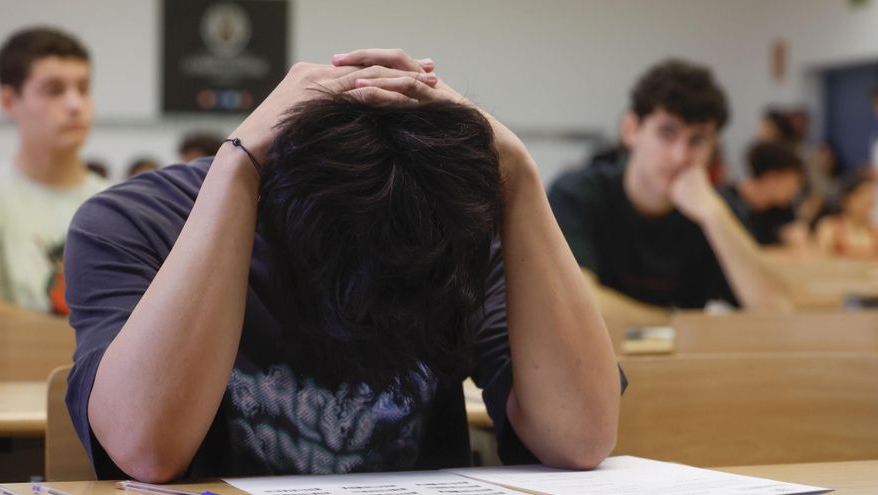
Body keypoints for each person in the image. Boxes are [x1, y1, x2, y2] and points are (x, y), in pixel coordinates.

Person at [64, 49, 623, 481]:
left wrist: (517, 174)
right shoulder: (135, 223)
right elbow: (144, 450)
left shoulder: (446, 224)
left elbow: (579, 436)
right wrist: (239, 166)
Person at [548, 59, 791, 320]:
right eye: (667, 133)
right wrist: (677, 325)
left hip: (691, 361)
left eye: (697, 140)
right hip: (601, 358)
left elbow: (777, 310)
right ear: (631, 130)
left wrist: (713, 215)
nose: (680, 156)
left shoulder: (717, 206)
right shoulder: (577, 194)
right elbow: (572, 303)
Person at [0, 27, 106, 315]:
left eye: (83, 89)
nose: (75, 105)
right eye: (54, 90)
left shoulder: (116, 203)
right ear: (9, 101)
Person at [717, 141, 805, 246]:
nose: (796, 189)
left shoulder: (782, 208)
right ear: (771, 178)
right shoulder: (724, 202)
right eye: (793, 182)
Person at [814, 172, 878, 259]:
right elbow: (821, 259)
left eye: (870, 198)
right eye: (862, 197)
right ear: (845, 200)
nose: (867, 203)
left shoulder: (875, 229)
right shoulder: (830, 227)